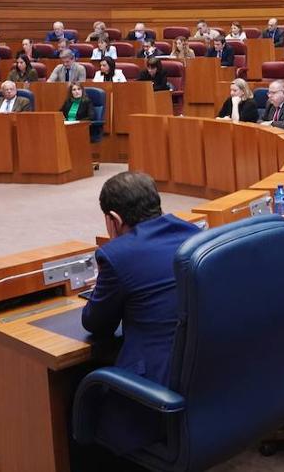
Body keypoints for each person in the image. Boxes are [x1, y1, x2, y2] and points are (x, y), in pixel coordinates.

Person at [81, 172, 203, 455]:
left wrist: (106, 283)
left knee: (79, 396)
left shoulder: (116, 254)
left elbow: (96, 324)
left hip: (157, 389)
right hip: (205, 375)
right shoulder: (193, 234)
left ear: (114, 219)